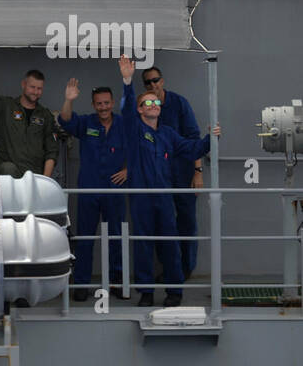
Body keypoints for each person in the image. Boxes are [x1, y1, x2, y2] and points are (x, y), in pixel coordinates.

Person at [117, 56, 220, 307]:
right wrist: (128, 81)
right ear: (140, 109)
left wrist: (211, 138)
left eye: (155, 102)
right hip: (141, 198)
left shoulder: (167, 134)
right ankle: (147, 292)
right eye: (146, 102)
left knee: (170, 245)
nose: (152, 104)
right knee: (142, 246)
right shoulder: (133, 130)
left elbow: (191, 147)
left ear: (160, 108)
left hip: (164, 197)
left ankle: (175, 291)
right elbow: (128, 107)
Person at [58, 80, 128, 301]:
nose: (103, 107)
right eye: (99, 104)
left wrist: (130, 169)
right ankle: (81, 284)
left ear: (113, 103)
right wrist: (68, 100)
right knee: (85, 238)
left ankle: (117, 283)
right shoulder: (87, 123)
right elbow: (66, 120)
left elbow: (138, 149)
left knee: (116, 237)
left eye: (107, 103)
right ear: (93, 104)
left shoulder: (125, 125)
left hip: (115, 191)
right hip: (89, 190)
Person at [141, 66, 203, 279]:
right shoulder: (143, 109)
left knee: (186, 222)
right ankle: (168, 269)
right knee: (162, 225)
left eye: (155, 80)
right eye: (148, 82)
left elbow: (194, 138)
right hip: (157, 178)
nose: (153, 85)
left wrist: (198, 172)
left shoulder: (179, 104)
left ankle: (185, 269)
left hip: (183, 174)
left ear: (162, 80)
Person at [0, 46, 58, 178]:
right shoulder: (6, 106)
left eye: (39, 88)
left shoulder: (45, 115)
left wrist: (44, 181)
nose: (36, 92)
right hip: (10, 178)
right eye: (32, 87)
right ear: (23, 84)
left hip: (35, 177)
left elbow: (52, 152)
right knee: (8, 168)